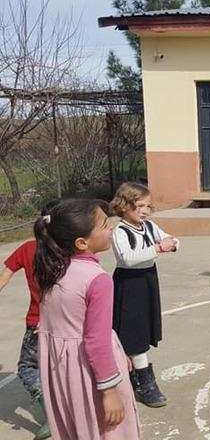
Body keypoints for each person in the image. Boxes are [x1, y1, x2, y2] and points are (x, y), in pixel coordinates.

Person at [35, 198, 141, 439]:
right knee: (110, 432)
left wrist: (118, 351)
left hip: (62, 371)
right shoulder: (97, 280)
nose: (111, 227)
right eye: (104, 225)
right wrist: (110, 391)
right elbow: (96, 340)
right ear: (82, 242)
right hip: (92, 373)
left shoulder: (51, 270)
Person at [110, 182, 177, 408]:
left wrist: (172, 244)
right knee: (133, 332)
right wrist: (158, 248)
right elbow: (127, 258)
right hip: (129, 283)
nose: (145, 211)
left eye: (148, 206)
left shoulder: (149, 226)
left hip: (148, 279)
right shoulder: (120, 231)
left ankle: (132, 377)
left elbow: (172, 239)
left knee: (143, 328)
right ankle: (145, 383)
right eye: (139, 206)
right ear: (123, 206)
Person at [0, 201, 59, 440]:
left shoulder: (28, 248)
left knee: (28, 368)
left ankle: (51, 413)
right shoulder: (70, 249)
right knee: (62, 365)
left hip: (38, 322)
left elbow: (4, 276)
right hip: (69, 321)